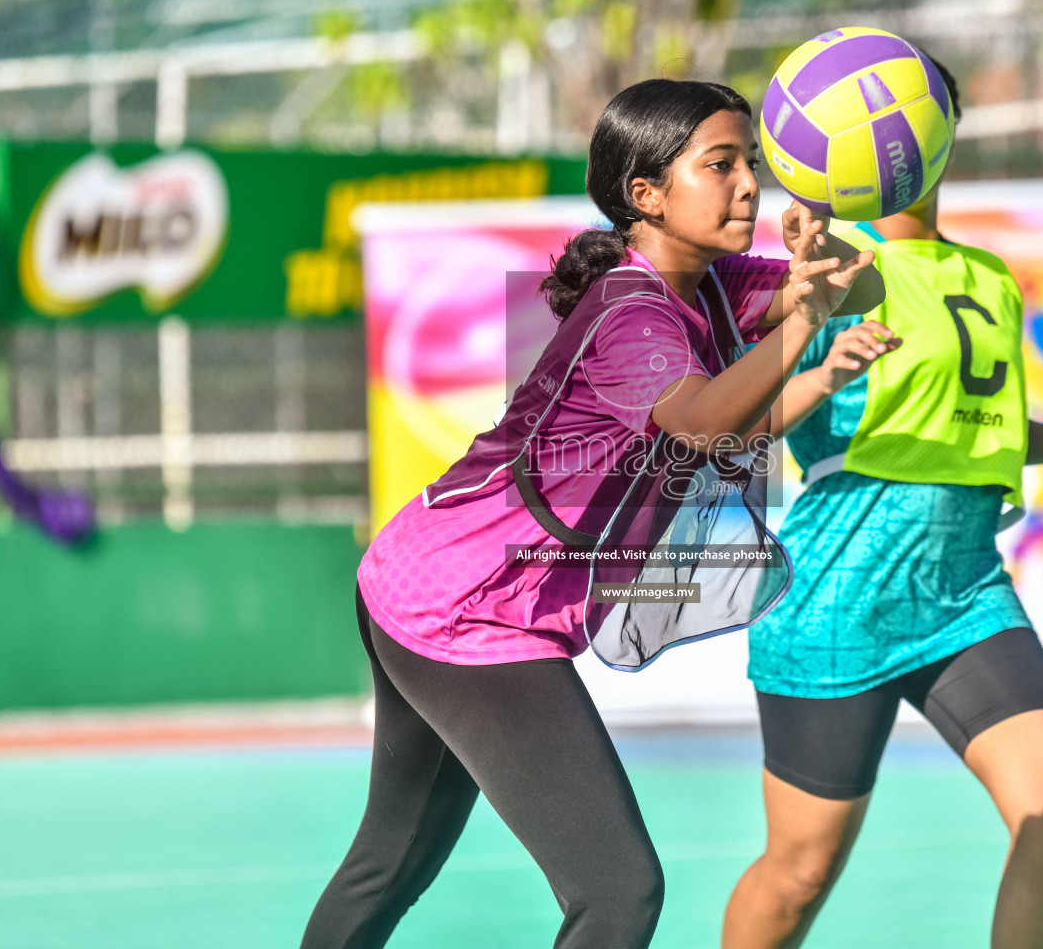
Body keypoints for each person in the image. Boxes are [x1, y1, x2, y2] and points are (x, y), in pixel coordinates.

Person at [300, 77, 881, 949]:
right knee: (618, 889)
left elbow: (864, 290)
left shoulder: (715, 282)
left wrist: (826, 254)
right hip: (463, 604)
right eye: (720, 165)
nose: (750, 184)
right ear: (645, 195)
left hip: (432, 574)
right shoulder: (632, 312)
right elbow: (705, 419)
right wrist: (804, 323)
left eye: (751, 162)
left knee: (392, 860)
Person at [721, 58, 1043, 949]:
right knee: (798, 874)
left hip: (963, 593)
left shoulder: (988, 275)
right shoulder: (837, 269)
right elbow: (737, 428)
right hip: (840, 597)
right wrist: (810, 279)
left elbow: (958, 426)